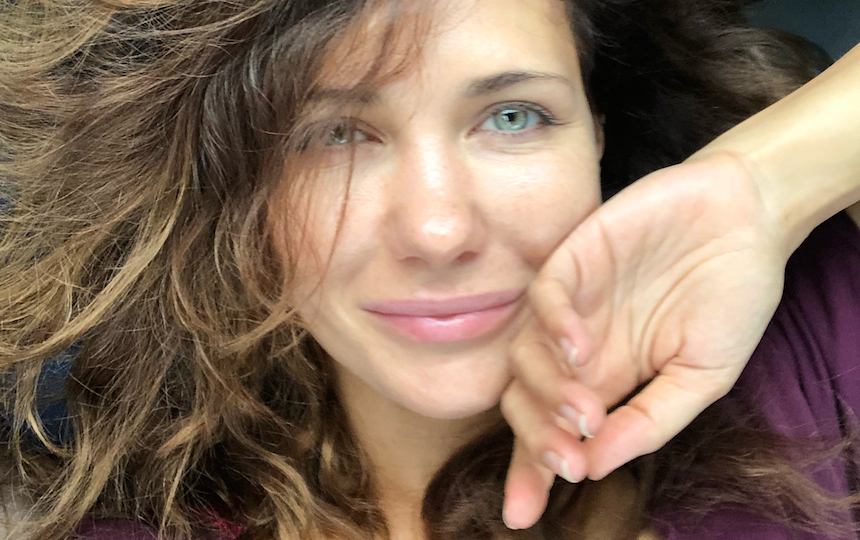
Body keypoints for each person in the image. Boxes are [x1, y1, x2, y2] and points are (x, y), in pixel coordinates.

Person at [0, 1, 858, 540]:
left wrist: (762, 186)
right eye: (335, 134)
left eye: (513, 116)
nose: (439, 230)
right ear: (242, 189)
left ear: (598, 132)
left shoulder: (804, 341)